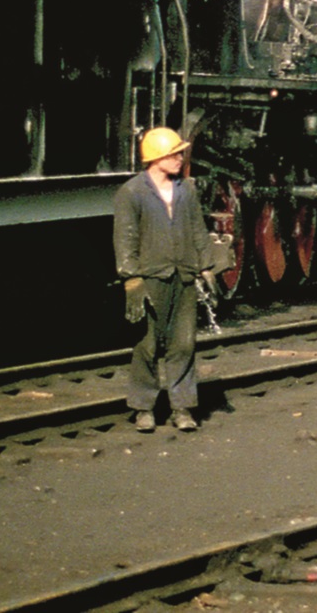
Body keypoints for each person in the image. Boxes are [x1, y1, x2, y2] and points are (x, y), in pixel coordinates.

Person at [113, 127, 209, 432]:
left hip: (183, 276)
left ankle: (182, 408)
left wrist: (206, 268)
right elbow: (125, 239)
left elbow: (198, 230)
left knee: (184, 343)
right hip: (151, 278)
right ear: (157, 158)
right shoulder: (131, 192)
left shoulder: (187, 190)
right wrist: (132, 279)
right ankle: (144, 408)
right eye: (175, 154)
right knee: (147, 344)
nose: (180, 158)